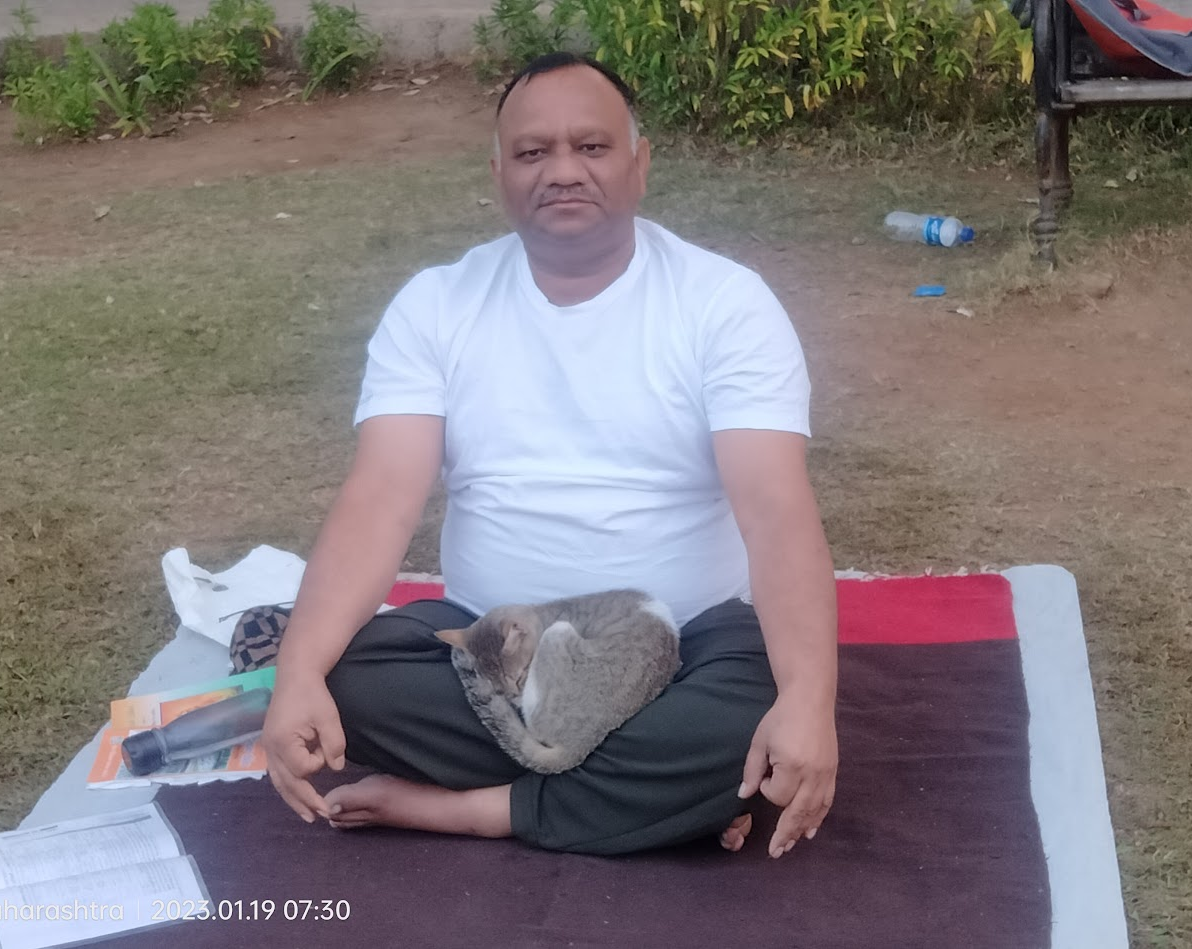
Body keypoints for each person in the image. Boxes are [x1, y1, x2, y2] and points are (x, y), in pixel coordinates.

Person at [259, 51, 838, 859]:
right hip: (495, 647)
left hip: (686, 642)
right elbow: (381, 495)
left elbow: (775, 511)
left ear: (640, 163)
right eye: (534, 153)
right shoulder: (436, 304)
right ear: (499, 172)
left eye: (591, 147)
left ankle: (463, 807)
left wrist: (809, 700)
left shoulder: (725, 305)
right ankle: (657, 799)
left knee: (762, 708)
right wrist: (296, 675)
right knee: (344, 674)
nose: (562, 171)